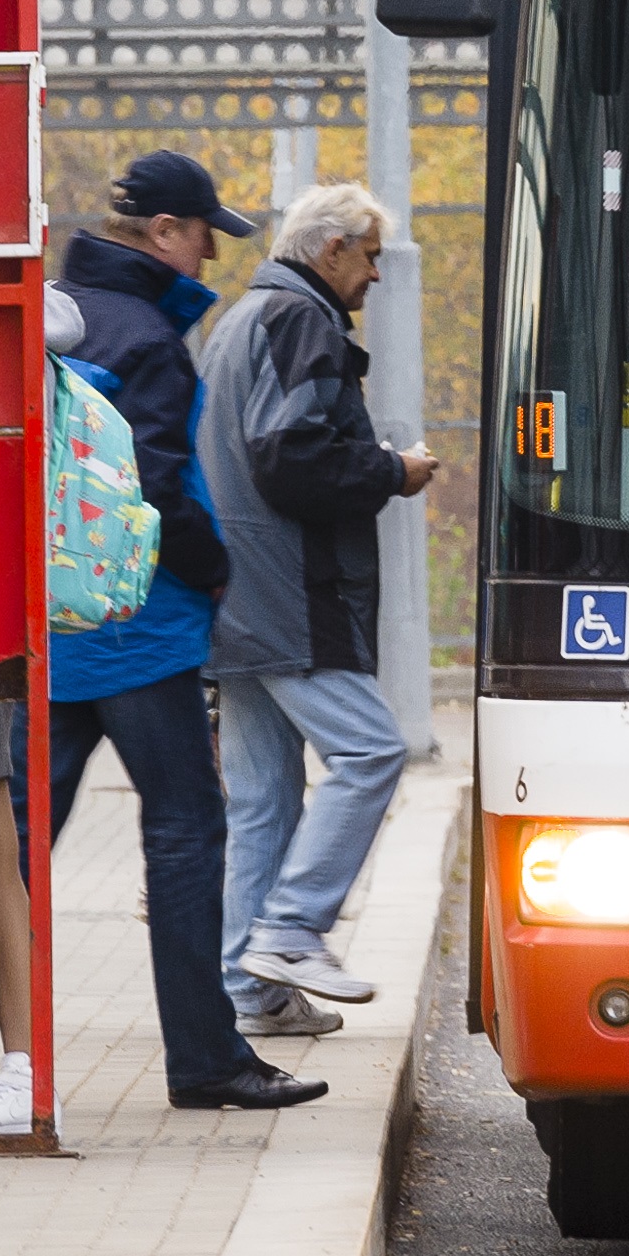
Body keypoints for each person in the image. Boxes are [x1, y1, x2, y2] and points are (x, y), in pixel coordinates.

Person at [0, 157, 322, 1136]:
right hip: (139, 627)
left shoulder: (58, 308)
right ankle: (205, 1058)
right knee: (185, 835)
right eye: (204, 231)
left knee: (4, 844)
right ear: (162, 230)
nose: (209, 249)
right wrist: (210, 566)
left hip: (49, 626)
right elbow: (151, 484)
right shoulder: (145, 335)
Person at [197, 182, 434, 1019]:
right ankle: (293, 929)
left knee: (263, 800)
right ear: (330, 248)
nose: (374, 275)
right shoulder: (302, 321)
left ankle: (247, 989)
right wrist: (390, 471)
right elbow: (291, 454)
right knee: (371, 751)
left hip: (237, 591)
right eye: (369, 256)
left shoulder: (242, 319)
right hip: (289, 591)